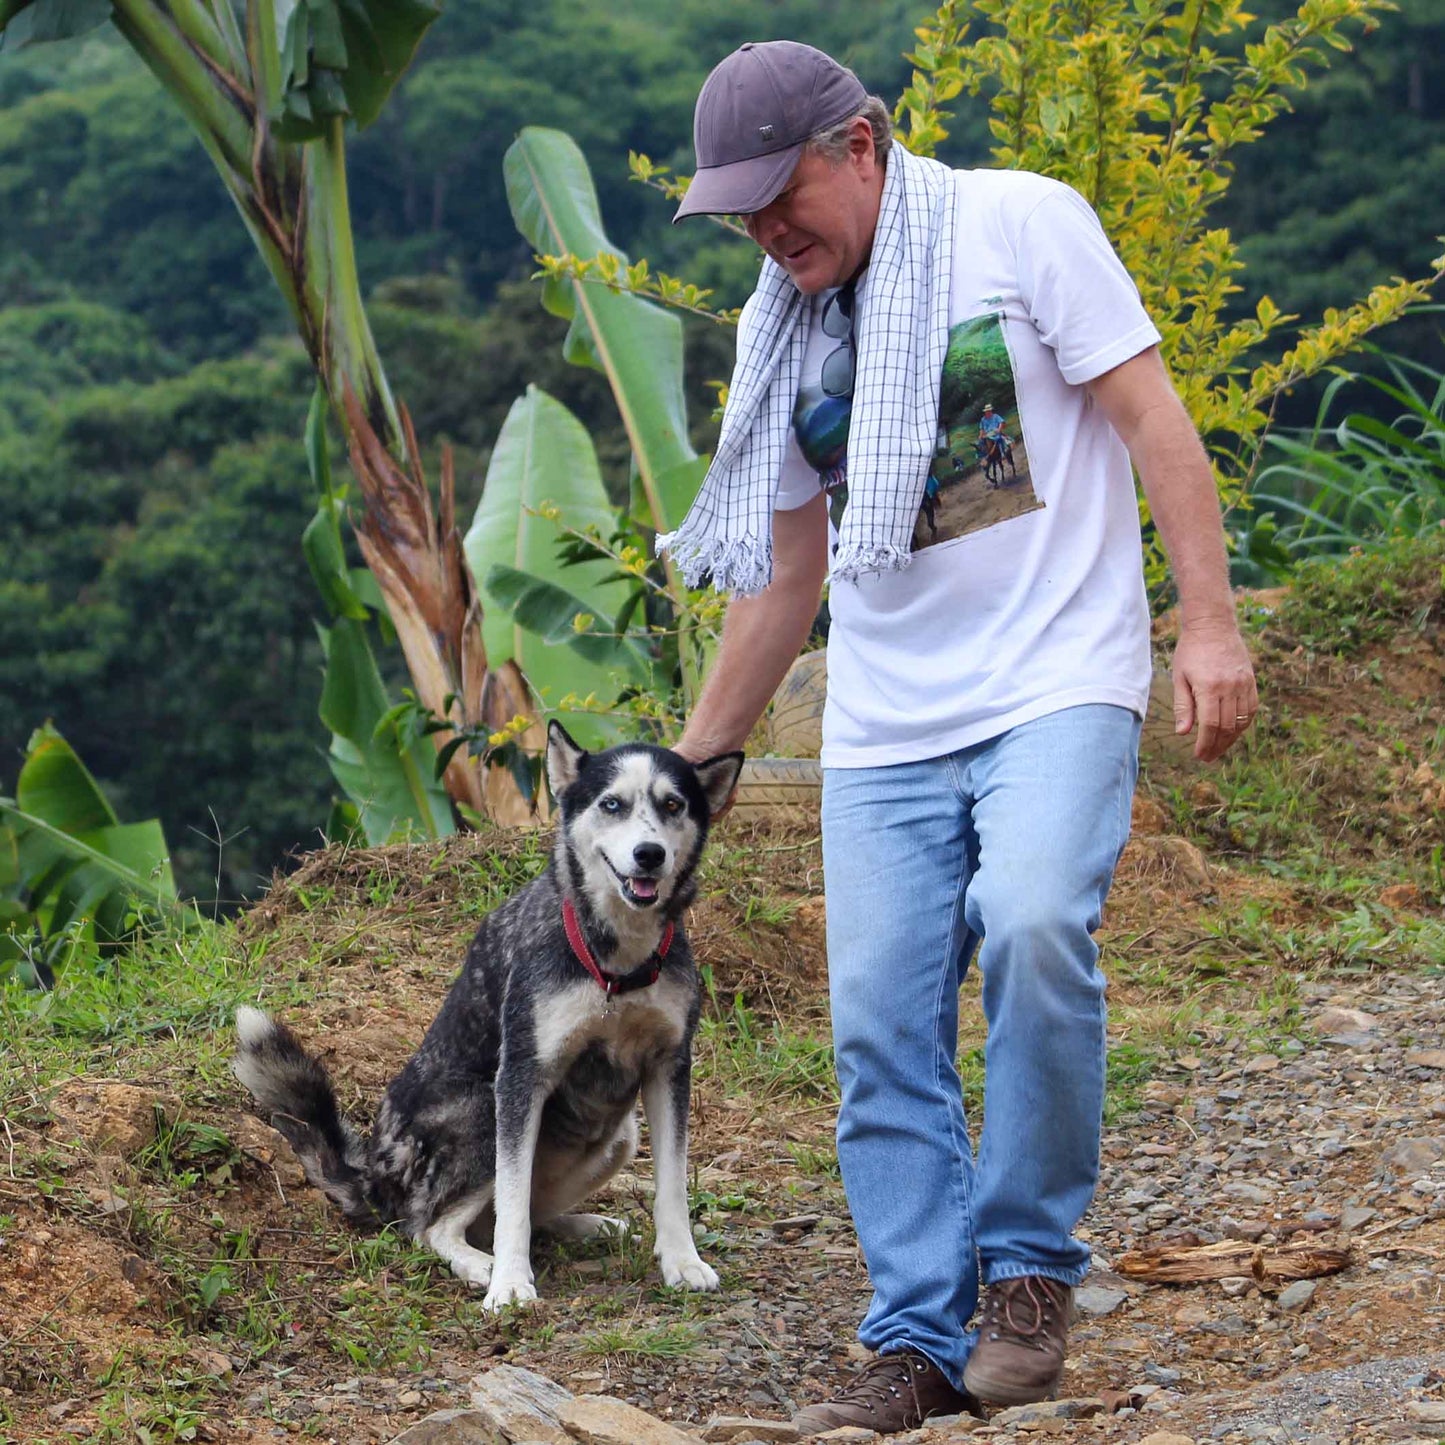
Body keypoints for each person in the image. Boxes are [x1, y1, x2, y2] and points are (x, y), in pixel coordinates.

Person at [660, 40, 1257, 1434]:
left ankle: (1029, 1273)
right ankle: (916, 1336)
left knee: (1040, 921)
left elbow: (1151, 420)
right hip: (884, 725)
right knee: (877, 1026)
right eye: (739, 210)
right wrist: (690, 772)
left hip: (1055, 676)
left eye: (781, 193)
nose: (765, 230)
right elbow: (786, 578)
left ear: (860, 145)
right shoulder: (781, 329)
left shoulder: (1019, 225)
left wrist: (1209, 623)